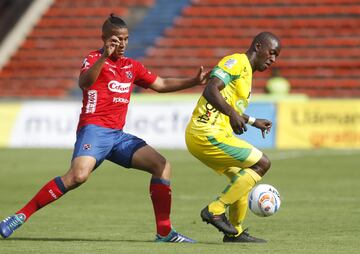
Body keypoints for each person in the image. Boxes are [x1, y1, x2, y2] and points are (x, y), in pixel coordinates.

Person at [0, 14, 209, 243]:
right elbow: (85, 82)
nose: (122, 44)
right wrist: (104, 57)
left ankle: (165, 232)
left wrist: (193, 81)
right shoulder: (92, 59)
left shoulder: (131, 66)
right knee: (77, 177)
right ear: (105, 39)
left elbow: (161, 84)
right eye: (117, 39)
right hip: (94, 131)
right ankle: (19, 217)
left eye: (126, 39)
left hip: (118, 137)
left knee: (162, 165)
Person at [185, 32, 281, 243]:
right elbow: (211, 90)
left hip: (210, 134)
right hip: (206, 132)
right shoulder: (236, 62)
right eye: (272, 53)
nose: (273, 59)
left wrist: (253, 121)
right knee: (263, 163)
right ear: (258, 47)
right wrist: (232, 114)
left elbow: (231, 106)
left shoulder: (247, 76)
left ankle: (234, 231)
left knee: (242, 178)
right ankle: (215, 210)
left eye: (276, 56)